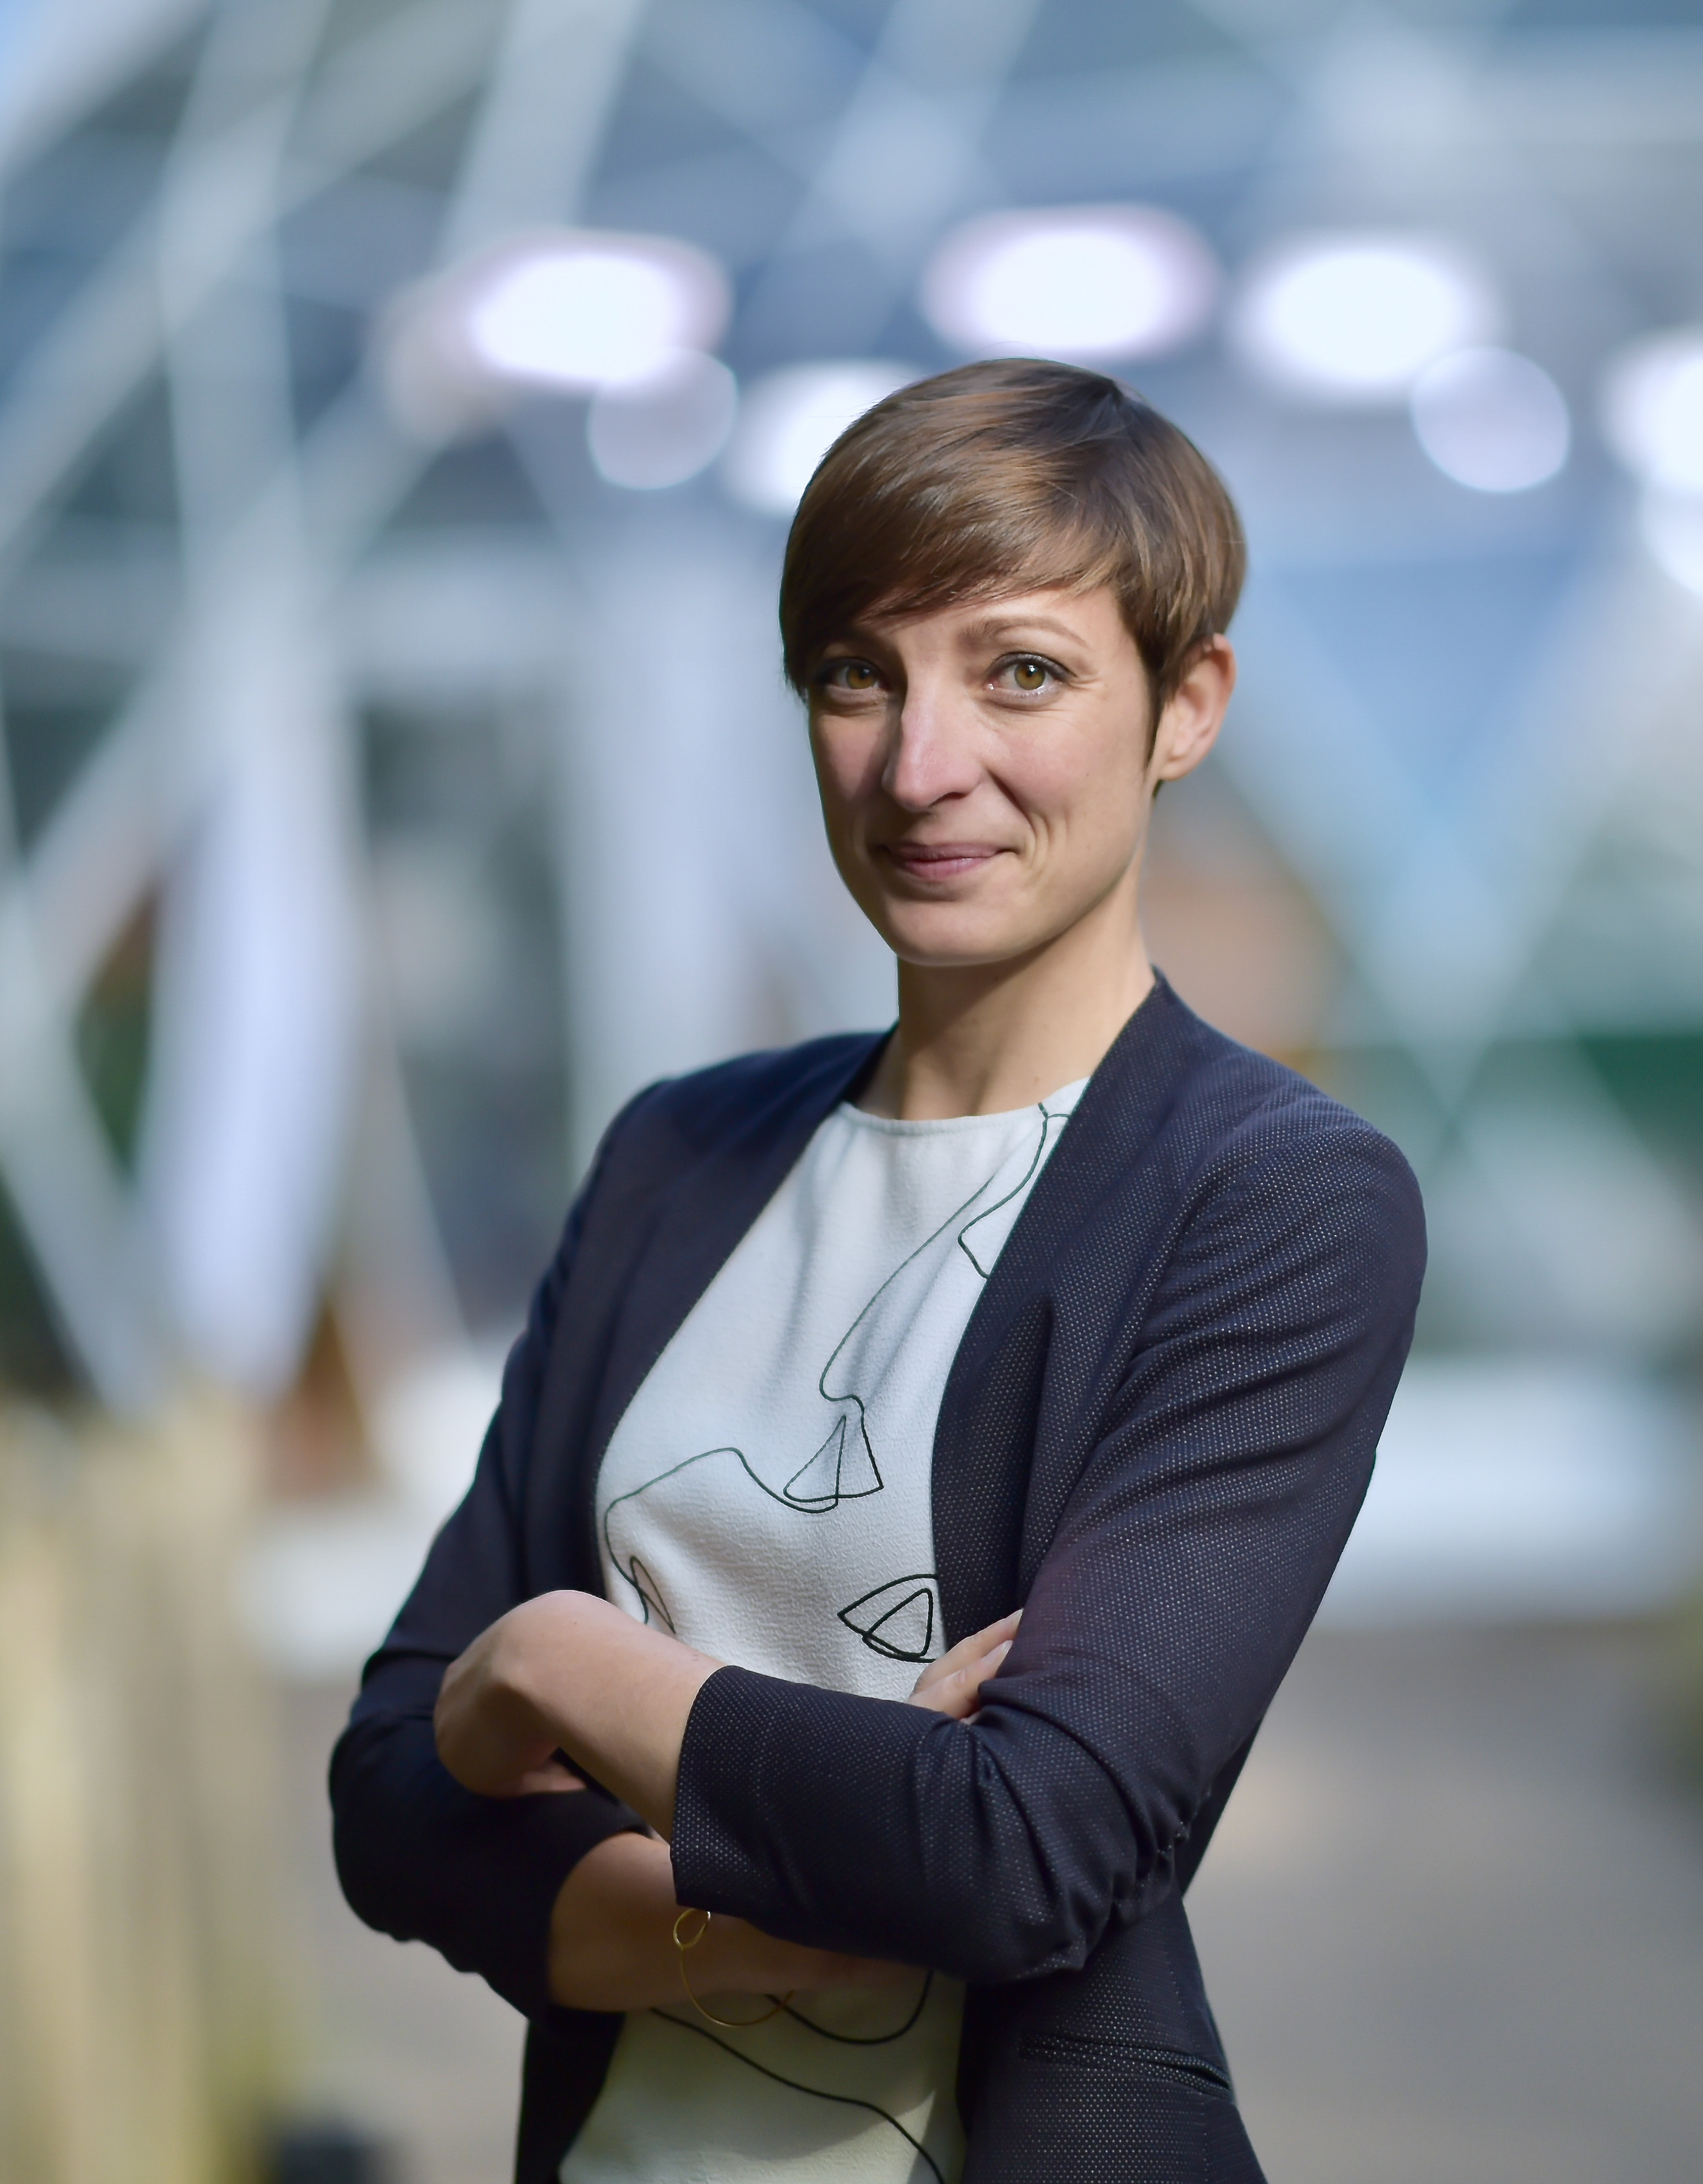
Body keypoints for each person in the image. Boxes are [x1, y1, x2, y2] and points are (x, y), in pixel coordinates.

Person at [330, 357, 1427, 2184]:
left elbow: (1021, 1853)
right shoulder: (683, 1157)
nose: (922, 766)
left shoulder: (1271, 1201)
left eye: (1020, 671)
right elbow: (390, 1794)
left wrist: (558, 1655)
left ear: (1186, 705)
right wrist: (790, 1906)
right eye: (858, 673)